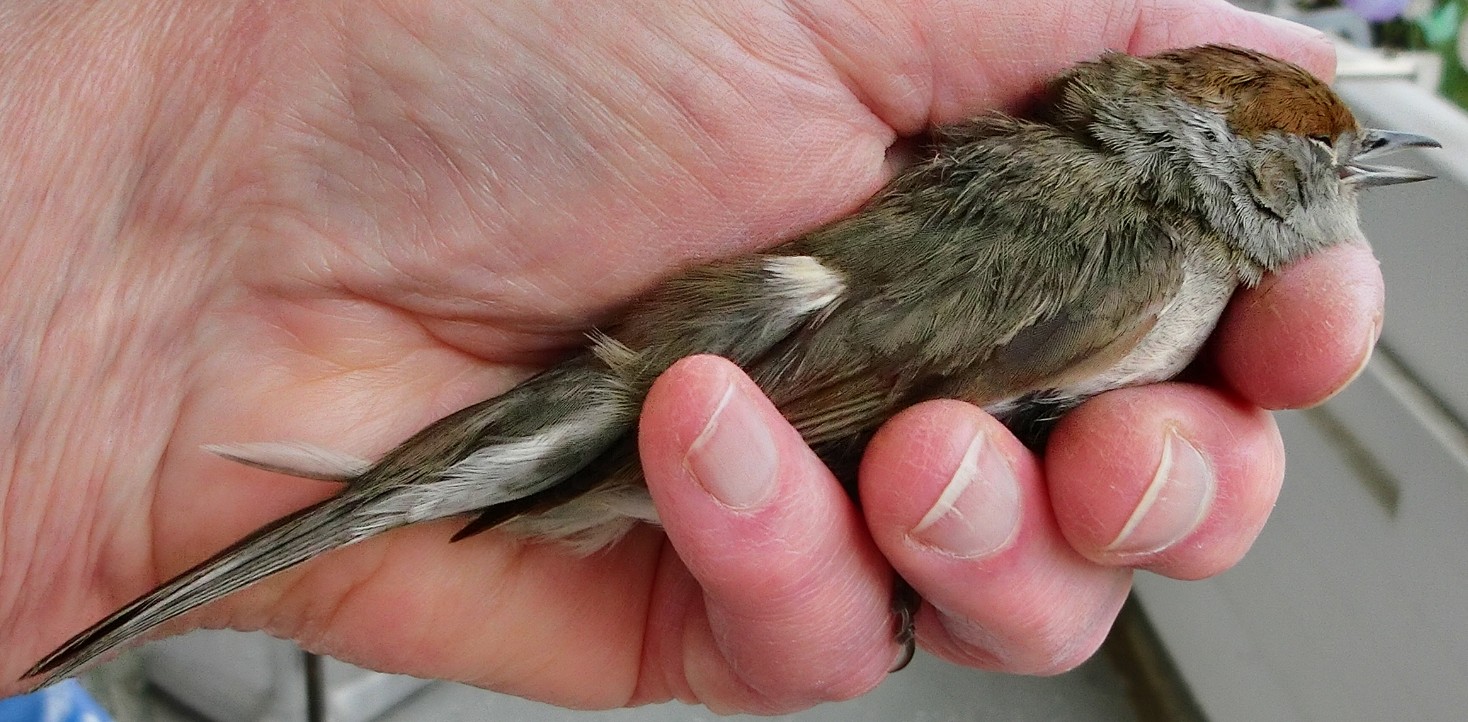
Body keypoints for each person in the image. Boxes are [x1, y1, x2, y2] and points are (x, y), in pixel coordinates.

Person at [0, 0, 1378, 713]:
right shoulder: (1135, 250)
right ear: (1241, 177)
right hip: (734, 379)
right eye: (1331, 168)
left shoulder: (1104, 205)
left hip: (730, 387)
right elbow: (858, 367)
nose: (1357, 185)